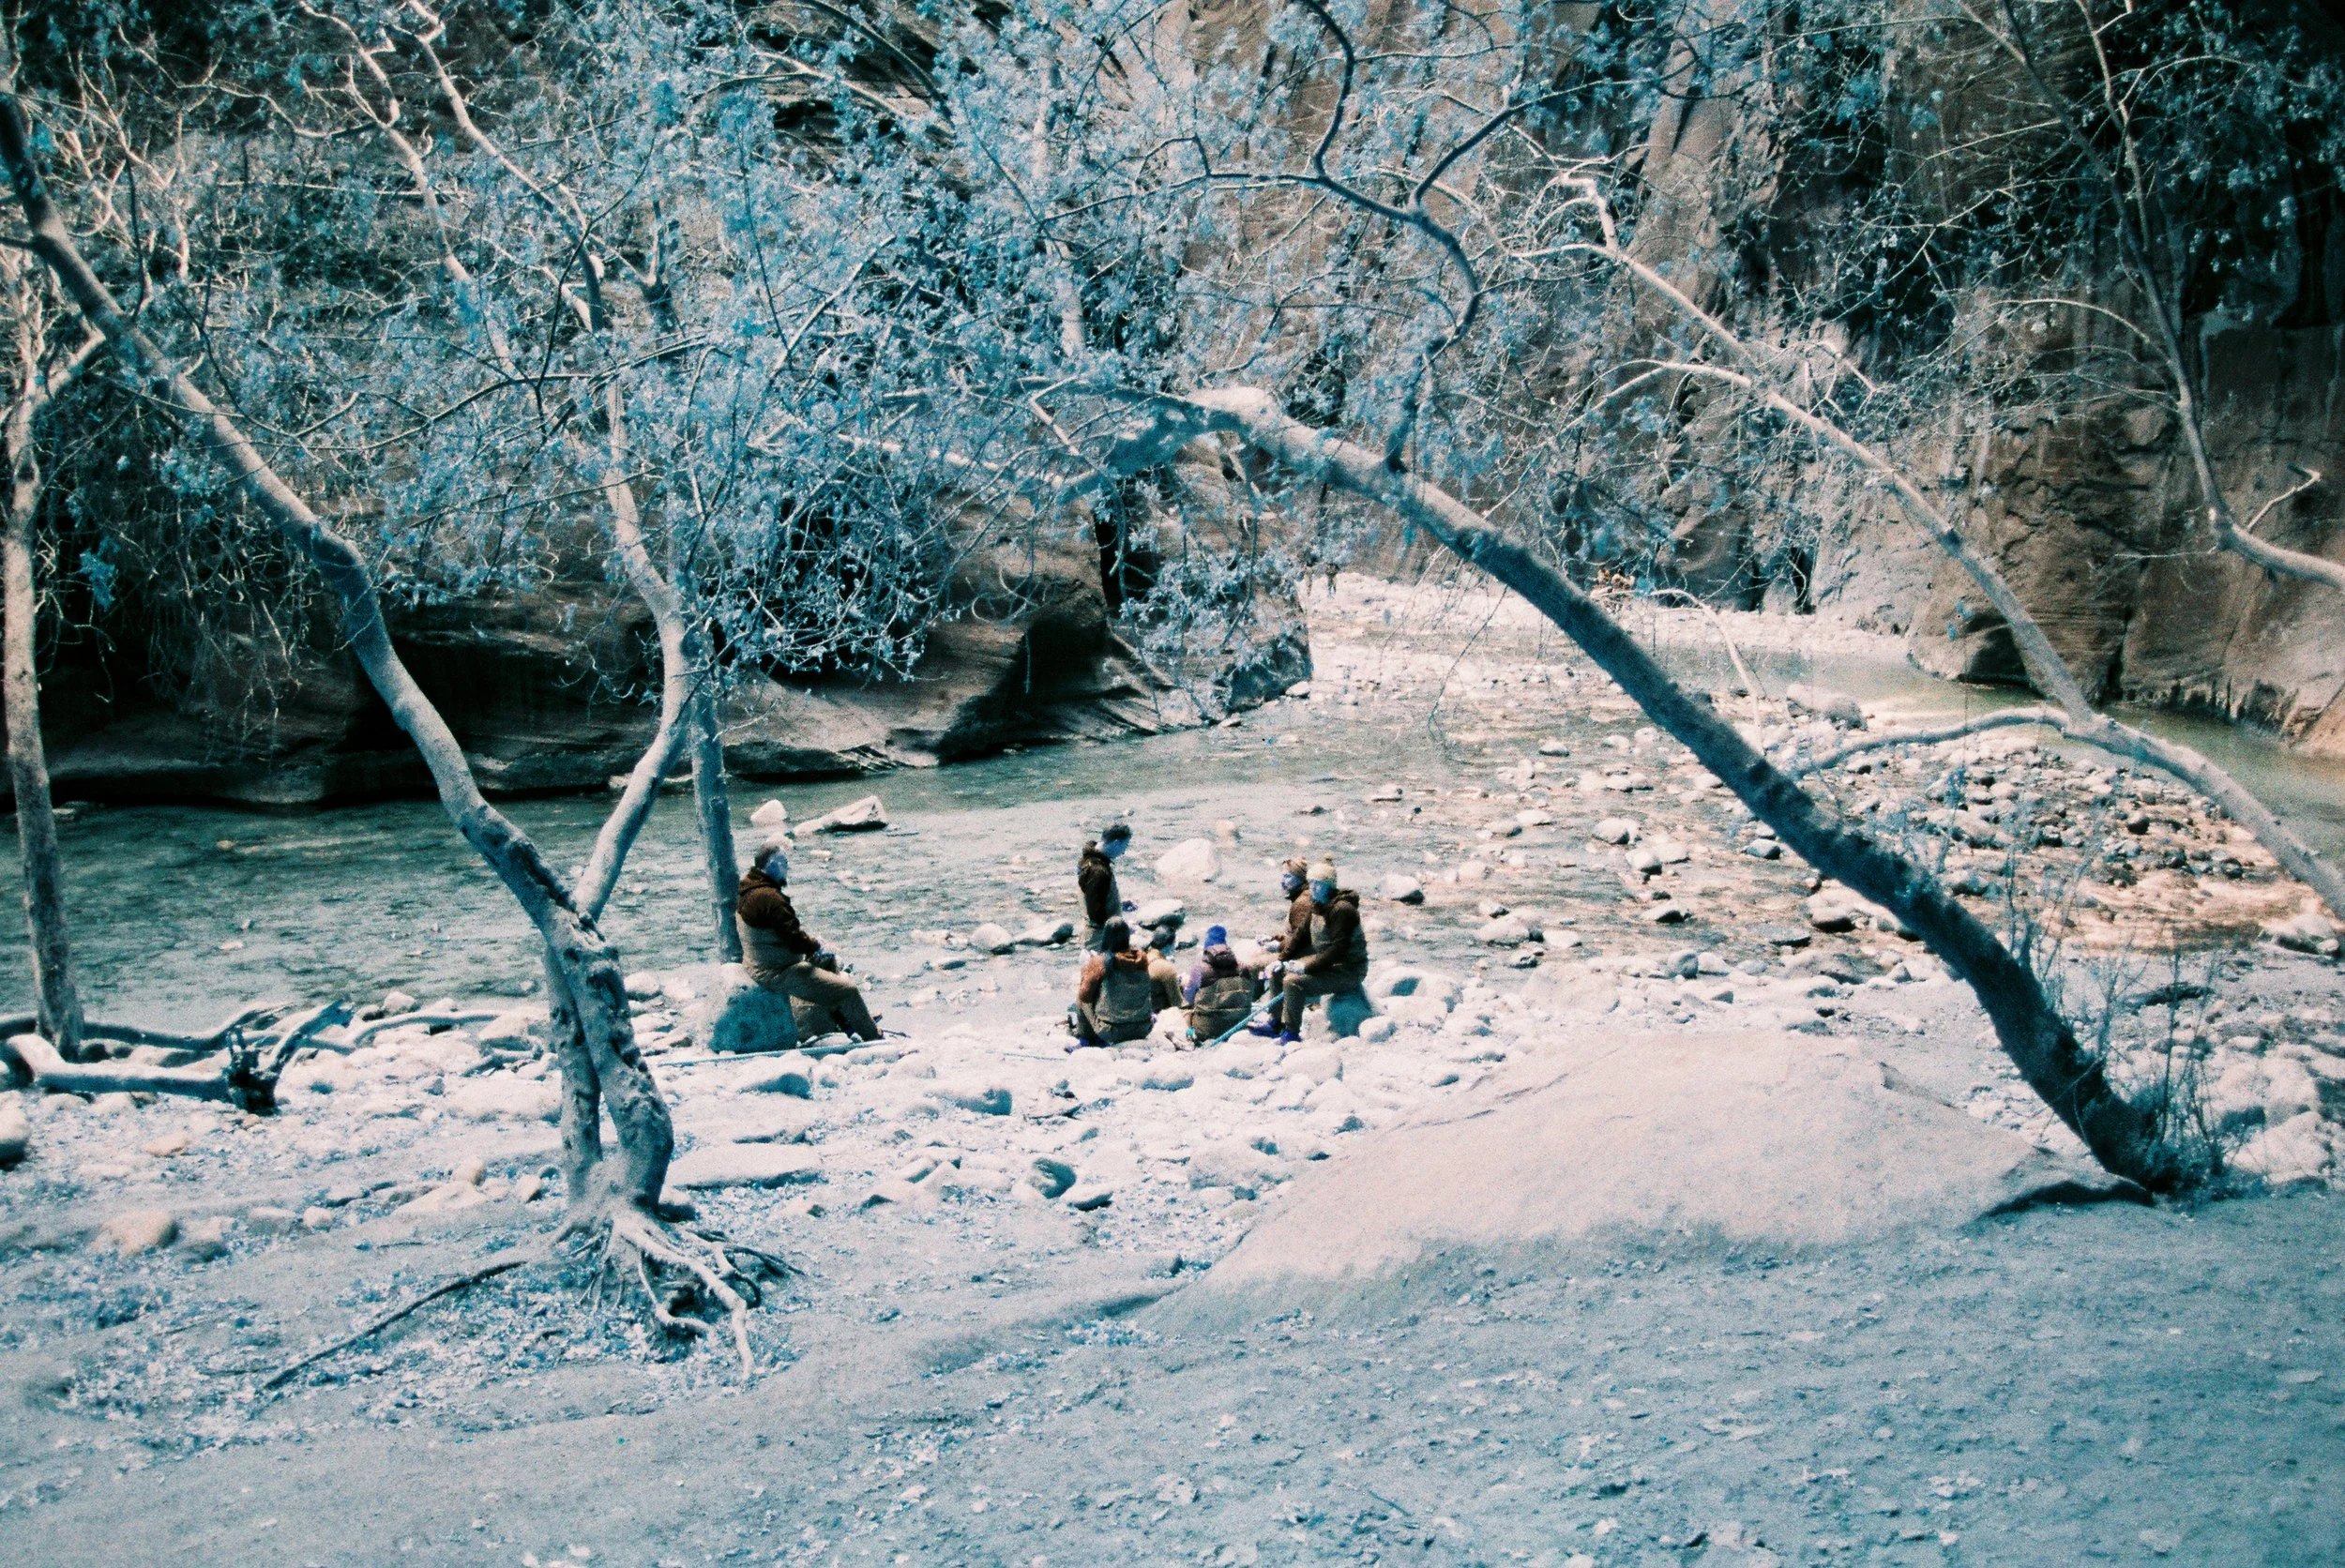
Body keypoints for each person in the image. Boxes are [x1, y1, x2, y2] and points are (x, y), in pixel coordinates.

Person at [734, 839, 882, 1043]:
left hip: (762, 961)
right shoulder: (770, 899)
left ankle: (846, 1021)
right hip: (776, 971)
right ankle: (873, 1036)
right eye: (784, 863)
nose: (787, 868)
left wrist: (815, 948)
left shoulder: (750, 885)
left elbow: (786, 934)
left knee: (828, 961)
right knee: (848, 991)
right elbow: (795, 941)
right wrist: (816, 945)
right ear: (771, 865)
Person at [1267, 858, 1369, 1044]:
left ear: (1329, 886)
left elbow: (1338, 949)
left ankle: (1291, 1033)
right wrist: (1281, 958)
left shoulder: (1342, 910)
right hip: (1329, 962)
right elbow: (1300, 935)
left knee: (1292, 982)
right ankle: (1274, 1022)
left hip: (1348, 968)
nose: (1313, 889)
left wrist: (1306, 968)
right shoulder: (1317, 905)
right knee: (1278, 971)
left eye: (1318, 885)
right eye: (1311, 883)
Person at [1247, 856, 1314, 1035]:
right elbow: (1295, 933)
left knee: (1257, 965)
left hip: (1305, 954)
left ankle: (1265, 1016)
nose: (1282, 881)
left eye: (1287, 877)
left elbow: (1302, 940)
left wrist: (1278, 947)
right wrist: (1273, 938)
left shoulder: (1302, 903)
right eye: (1282, 876)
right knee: (1260, 958)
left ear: (1301, 879)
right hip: (1300, 949)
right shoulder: (1302, 897)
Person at [1072, 918, 1160, 1046]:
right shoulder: (1141, 958)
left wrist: (1087, 971)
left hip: (1111, 1031)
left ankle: (1086, 1038)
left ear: (1106, 936)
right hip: (1143, 1028)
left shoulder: (1101, 961)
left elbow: (1085, 995)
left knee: (1081, 996)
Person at [1183, 925, 1263, 1041]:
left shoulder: (1199, 968)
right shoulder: (1244, 967)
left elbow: (1189, 999)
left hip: (1207, 1030)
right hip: (1239, 1026)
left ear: (1206, 949)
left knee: (1184, 1012)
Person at [1077, 822, 1136, 952]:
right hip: (1098, 937)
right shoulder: (1098, 871)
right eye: (1124, 846)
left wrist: (1116, 903)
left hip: (1093, 932)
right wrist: (1119, 928)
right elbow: (1095, 914)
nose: (1123, 852)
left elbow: (1095, 897)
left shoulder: (1088, 860)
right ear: (1115, 844)